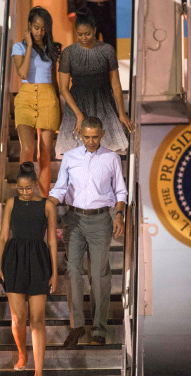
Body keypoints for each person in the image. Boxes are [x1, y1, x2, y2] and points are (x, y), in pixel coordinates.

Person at [48, 116, 127, 347]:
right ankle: (77, 326)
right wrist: (47, 205)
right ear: (80, 135)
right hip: (73, 218)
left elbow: (120, 191)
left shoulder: (112, 158)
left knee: (99, 275)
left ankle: (99, 329)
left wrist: (119, 215)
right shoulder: (70, 157)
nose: (91, 141)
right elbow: (61, 187)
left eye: (95, 137)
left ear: (102, 134)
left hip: (101, 218)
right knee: (73, 271)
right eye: (87, 137)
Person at [0, 162, 57, 376]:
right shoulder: (11, 203)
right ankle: (22, 354)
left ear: (36, 185)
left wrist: (54, 272)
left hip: (39, 260)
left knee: (38, 321)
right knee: (19, 318)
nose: (25, 192)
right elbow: (2, 238)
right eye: (20, 189)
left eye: (29, 188)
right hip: (14, 260)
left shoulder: (47, 206)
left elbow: (52, 240)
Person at [56, 8, 134, 158]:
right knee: (76, 154)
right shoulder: (69, 53)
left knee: (107, 152)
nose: (84, 37)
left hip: (103, 102)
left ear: (94, 30)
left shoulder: (107, 50)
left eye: (88, 33)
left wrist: (121, 112)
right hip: (77, 103)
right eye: (80, 34)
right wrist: (78, 114)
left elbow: (115, 84)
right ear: (75, 31)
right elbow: (63, 89)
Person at [12, 6, 61, 197]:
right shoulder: (19, 47)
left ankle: (42, 199)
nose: (39, 32)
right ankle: (25, 195)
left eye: (43, 28)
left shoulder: (52, 48)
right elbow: (23, 73)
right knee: (28, 148)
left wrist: (60, 106)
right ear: (29, 27)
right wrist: (30, 46)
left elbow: (55, 80)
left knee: (45, 154)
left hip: (48, 98)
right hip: (25, 98)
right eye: (36, 27)